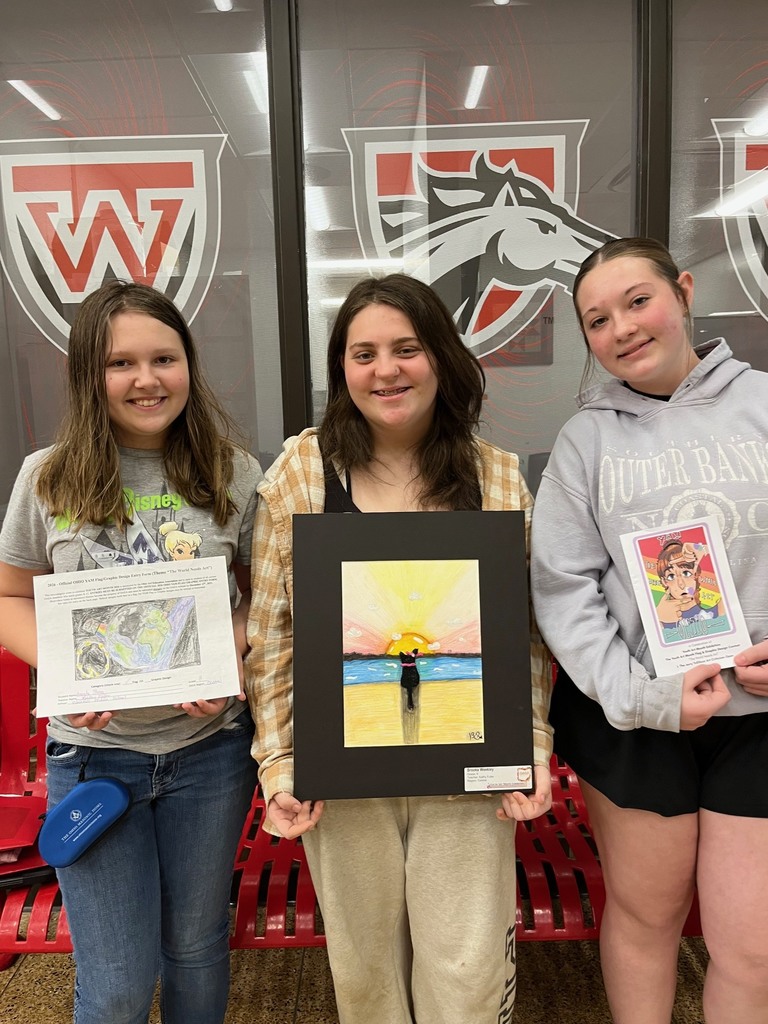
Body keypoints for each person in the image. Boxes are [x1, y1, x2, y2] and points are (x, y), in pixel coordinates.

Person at [244, 273, 553, 1024]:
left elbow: (529, 638)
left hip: (470, 770)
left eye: (407, 348)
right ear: (341, 370)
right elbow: (272, 635)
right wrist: (281, 760)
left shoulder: (499, 476)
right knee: (365, 973)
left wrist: (530, 744)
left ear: (441, 357)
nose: (386, 370)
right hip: (344, 774)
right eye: (364, 353)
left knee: (468, 974)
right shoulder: (301, 475)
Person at [0, 281, 261, 1024]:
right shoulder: (47, 477)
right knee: (115, 983)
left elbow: (263, 600)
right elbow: (9, 597)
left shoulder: (234, 472)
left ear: (189, 365)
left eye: (164, 358)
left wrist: (228, 660)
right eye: (122, 363)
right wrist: (68, 670)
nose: (146, 379)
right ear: (91, 375)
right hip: (93, 757)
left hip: (209, 754)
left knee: (197, 948)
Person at [530, 237, 768, 1024]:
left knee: (751, 947)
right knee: (645, 919)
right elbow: (563, 590)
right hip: (634, 717)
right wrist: (643, 697)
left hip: (757, 721)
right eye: (598, 320)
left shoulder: (763, 403)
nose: (623, 328)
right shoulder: (585, 442)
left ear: (685, 291)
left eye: (638, 301)